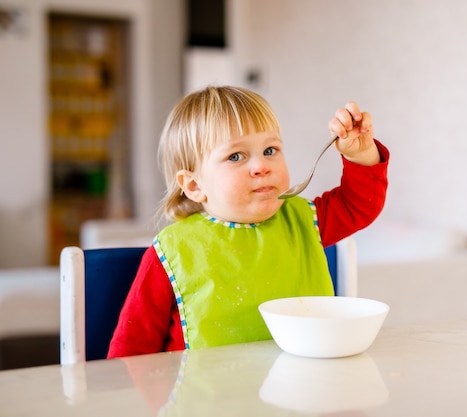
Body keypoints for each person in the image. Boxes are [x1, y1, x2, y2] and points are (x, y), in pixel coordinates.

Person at [107, 85, 389, 358]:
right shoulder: (172, 252)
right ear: (193, 185)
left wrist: (360, 153)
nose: (261, 167)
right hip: (207, 402)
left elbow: (360, 205)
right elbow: (131, 353)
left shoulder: (307, 220)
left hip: (303, 396)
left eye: (270, 150)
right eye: (236, 156)